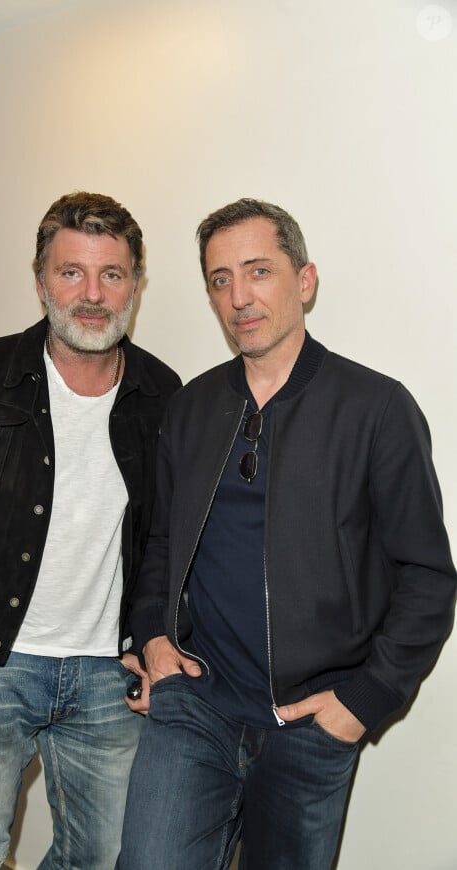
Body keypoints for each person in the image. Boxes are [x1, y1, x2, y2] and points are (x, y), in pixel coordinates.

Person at [118, 198, 456, 870]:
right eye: (220, 279)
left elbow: (426, 577)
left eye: (258, 271)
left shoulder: (376, 409)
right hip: (196, 705)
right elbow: (159, 542)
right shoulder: (191, 407)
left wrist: (364, 700)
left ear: (304, 281)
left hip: (311, 723)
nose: (239, 297)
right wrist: (154, 637)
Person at [0, 191, 181, 870]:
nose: (92, 294)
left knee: (101, 858)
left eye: (112, 274)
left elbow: (171, 539)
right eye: (71, 271)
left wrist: (158, 639)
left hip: (110, 674)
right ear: (40, 279)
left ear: (135, 285)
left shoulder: (165, 396)